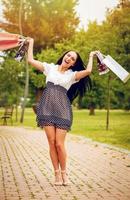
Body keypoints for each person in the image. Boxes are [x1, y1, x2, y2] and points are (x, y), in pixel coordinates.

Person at [27, 37, 98, 186]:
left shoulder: (72, 75)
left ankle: (64, 173)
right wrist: (31, 42)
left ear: (73, 63)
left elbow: (89, 71)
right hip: (46, 108)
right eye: (68, 55)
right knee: (51, 143)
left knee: (59, 144)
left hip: (62, 110)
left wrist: (91, 56)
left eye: (72, 58)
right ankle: (57, 175)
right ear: (64, 56)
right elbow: (30, 60)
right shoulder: (50, 68)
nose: (69, 58)